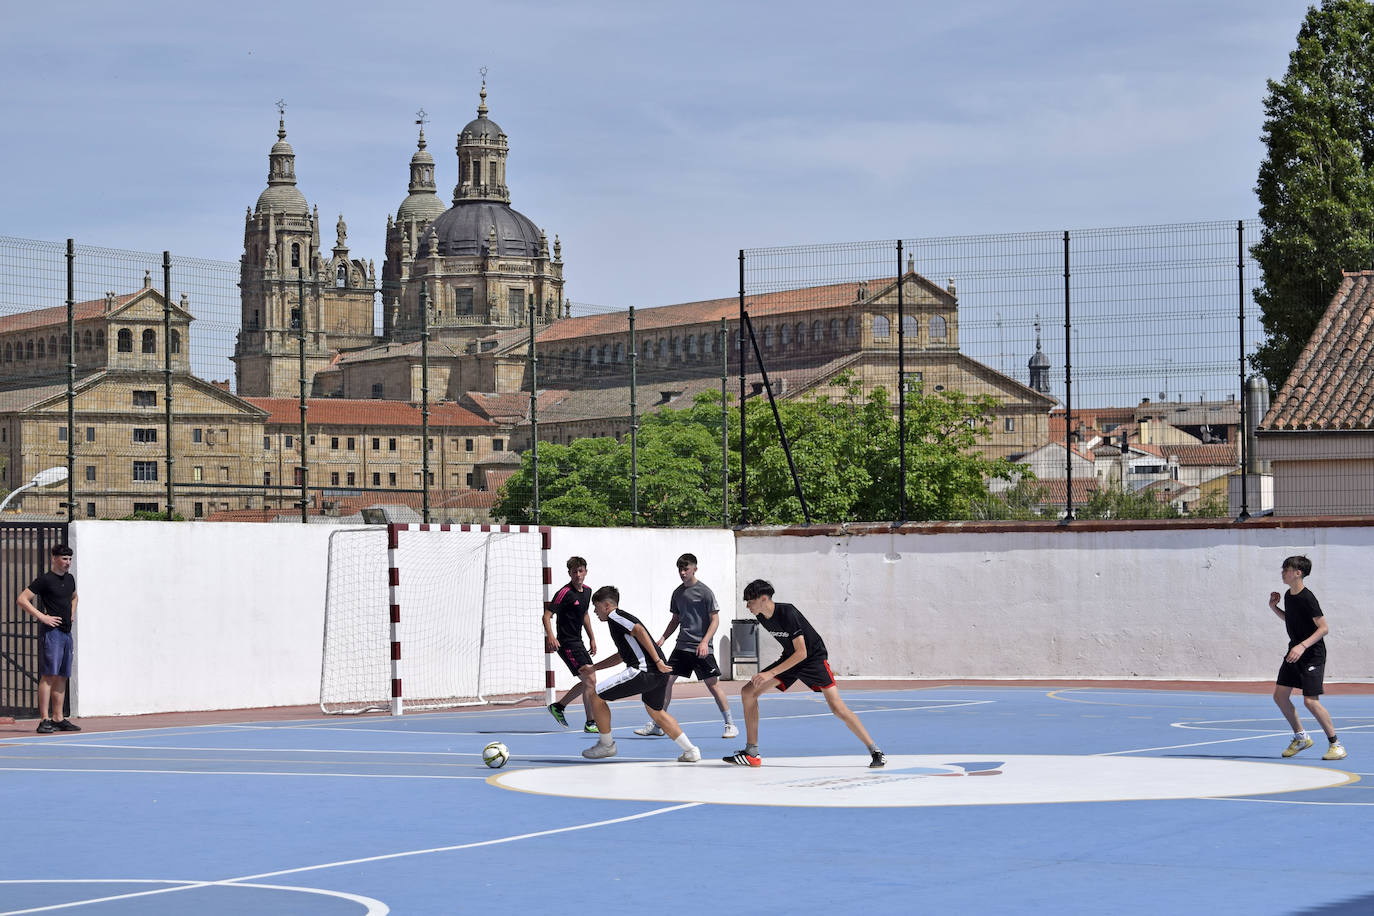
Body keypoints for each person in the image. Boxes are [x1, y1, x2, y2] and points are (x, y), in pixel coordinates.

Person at [724, 579, 884, 768]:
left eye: (750, 601)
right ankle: (752, 753)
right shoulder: (762, 617)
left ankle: (876, 751)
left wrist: (769, 673)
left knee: (837, 708)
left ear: (764, 598)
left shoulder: (787, 612)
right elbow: (793, 652)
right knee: (748, 692)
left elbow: (802, 652)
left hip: (813, 659)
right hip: (791, 659)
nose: (747, 605)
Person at [580, 585, 701, 763]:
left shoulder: (615, 616)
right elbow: (622, 655)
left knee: (596, 696)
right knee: (656, 711)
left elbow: (639, 630)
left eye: (596, 607)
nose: (594, 611)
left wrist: (657, 662)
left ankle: (606, 745)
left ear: (606, 605)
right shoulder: (617, 623)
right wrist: (594, 667)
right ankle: (691, 750)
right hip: (658, 673)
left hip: (645, 670)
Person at [634, 553, 737, 739]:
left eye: (686, 569)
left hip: (701, 648)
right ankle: (658, 724)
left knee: (713, 686)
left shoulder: (705, 592)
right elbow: (675, 619)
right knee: (666, 681)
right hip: (682, 646)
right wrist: (664, 637)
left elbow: (715, 619)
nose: (682, 573)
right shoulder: (677, 593)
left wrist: (705, 641)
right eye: (680, 569)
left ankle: (730, 724)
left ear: (694, 569)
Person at [1270, 555, 1346, 760]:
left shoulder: (1307, 598)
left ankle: (1336, 745)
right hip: (1294, 652)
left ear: (1298, 573)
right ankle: (1301, 737)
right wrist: (1274, 608)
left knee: (1310, 702)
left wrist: (1302, 646)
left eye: (1287, 569)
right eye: (1283, 568)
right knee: (1280, 696)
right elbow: (1292, 620)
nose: (1283, 572)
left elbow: (1323, 628)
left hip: (1312, 654)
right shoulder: (1289, 595)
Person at [18, 544, 81, 734]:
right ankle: (44, 719)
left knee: (62, 675)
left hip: (66, 633)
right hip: (52, 633)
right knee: (49, 675)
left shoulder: (70, 579)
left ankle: (58, 718)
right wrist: (43, 617)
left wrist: (71, 612)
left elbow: (75, 597)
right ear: (54, 558)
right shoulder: (45, 580)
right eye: (64, 559)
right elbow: (22, 599)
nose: (67, 563)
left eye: (69, 559)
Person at [544, 556, 599, 733]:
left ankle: (559, 707)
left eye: (580, 571)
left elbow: (584, 615)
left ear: (586, 572)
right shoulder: (564, 593)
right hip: (566, 643)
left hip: (579, 641)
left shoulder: (588, 591)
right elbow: (546, 616)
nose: (577, 574)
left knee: (588, 681)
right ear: (569, 573)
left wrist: (592, 637)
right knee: (590, 679)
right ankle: (590, 722)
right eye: (574, 571)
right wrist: (551, 637)